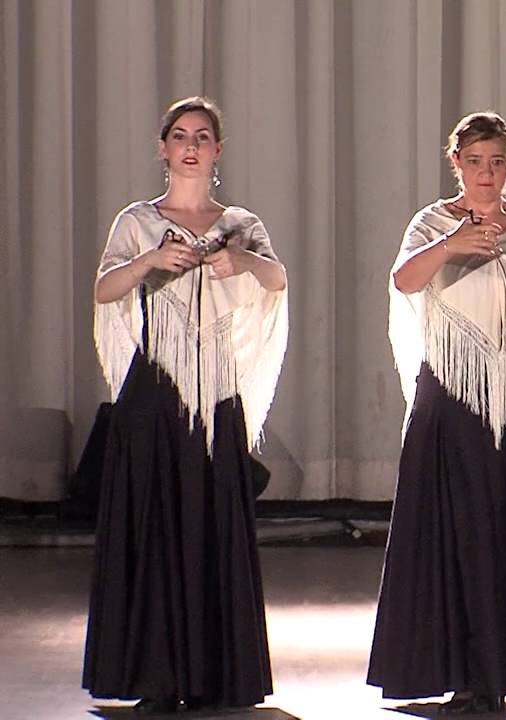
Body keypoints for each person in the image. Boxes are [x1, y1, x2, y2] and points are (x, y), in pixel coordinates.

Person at [368, 111, 506, 714]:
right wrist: (451, 245)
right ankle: (459, 668)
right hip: (452, 388)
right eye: (475, 162)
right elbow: (404, 280)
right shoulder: (431, 221)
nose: (486, 173)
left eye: (497, 162)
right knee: (457, 527)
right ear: (457, 164)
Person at [83, 96, 288, 714]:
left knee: (211, 523)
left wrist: (239, 261)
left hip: (216, 390)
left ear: (217, 151)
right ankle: (153, 673)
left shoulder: (240, 222)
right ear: (165, 148)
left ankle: (215, 672)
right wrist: (150, 260)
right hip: (155, 392)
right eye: (180, 136)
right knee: (152, 525)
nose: (191, 145)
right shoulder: (137, 222)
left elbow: (276, 281)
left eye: (202, 136)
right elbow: (104, 288)